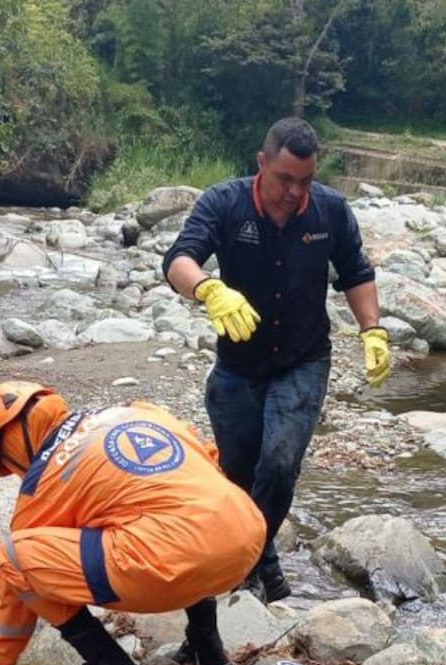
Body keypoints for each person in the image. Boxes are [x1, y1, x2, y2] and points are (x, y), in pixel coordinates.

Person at [161, 116, 388, 604]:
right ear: (262, 163)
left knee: (280, 465)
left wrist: (373, 329)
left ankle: (243, 566)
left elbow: (356, 271)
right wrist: (208, 289)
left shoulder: (329, 211)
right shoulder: (225, 203)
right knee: (239, 476)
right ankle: (265, 563)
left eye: (305, 180)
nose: (295, 191)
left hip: (302, 361)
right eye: (285, 178)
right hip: (238, 366)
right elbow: (179, 259)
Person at [0, 381, 266, 665]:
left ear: (7, 451)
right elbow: (204, 456)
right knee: (175, 514)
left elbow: (15, 597)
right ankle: (207, 645)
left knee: (13, 555)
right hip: (247, 531)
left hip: (174, 562)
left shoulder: (41, 487)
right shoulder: (136, 410)